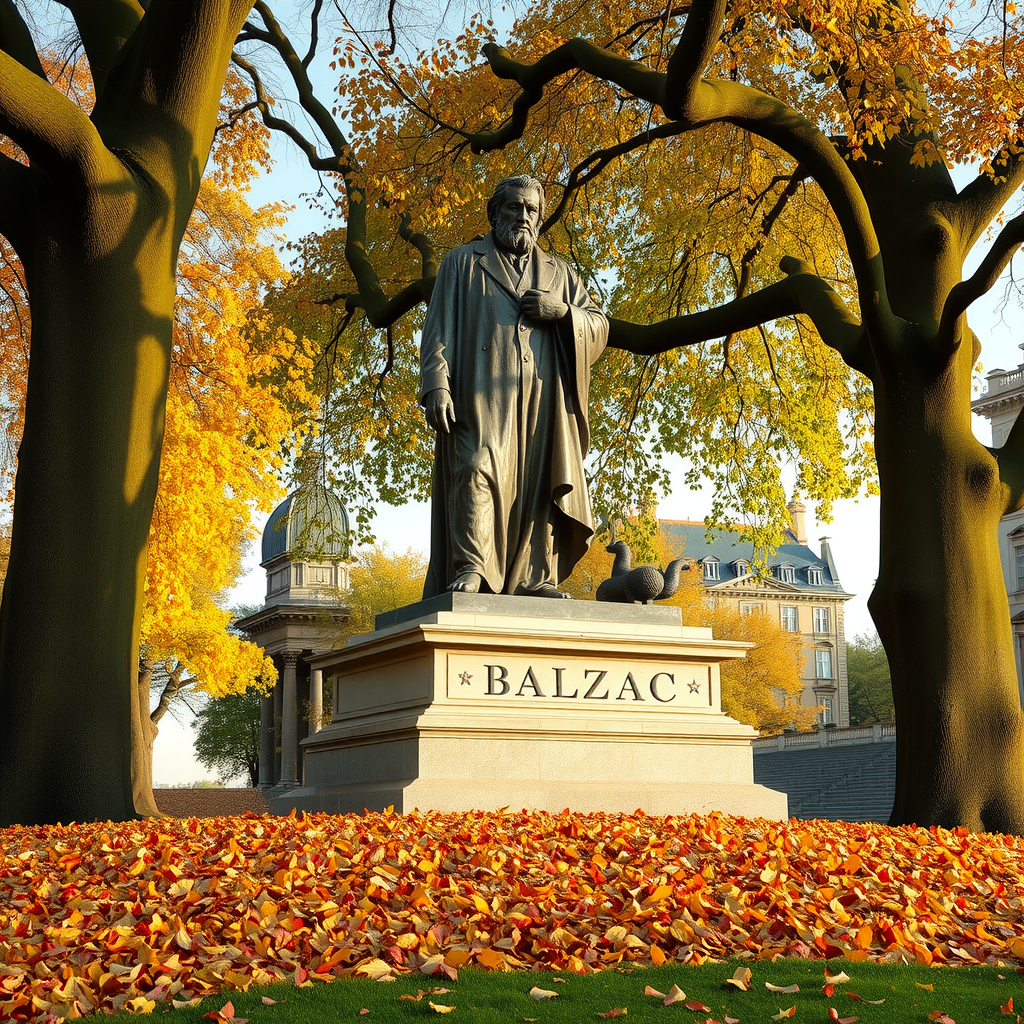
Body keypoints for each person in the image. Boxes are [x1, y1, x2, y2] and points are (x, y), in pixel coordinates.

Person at [420, 174, 609, 598]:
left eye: (532, 210)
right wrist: (436, 384)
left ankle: (532, 577)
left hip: (544, 399)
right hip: (480, 395)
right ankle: (473, 568)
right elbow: (437, 329)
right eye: (514, 207)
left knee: (539, 482)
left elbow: (598, 324)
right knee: (475, 466)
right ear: (495, 212)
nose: (523, 216)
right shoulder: (463, 261)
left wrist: (562, 312)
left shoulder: (560, 272)